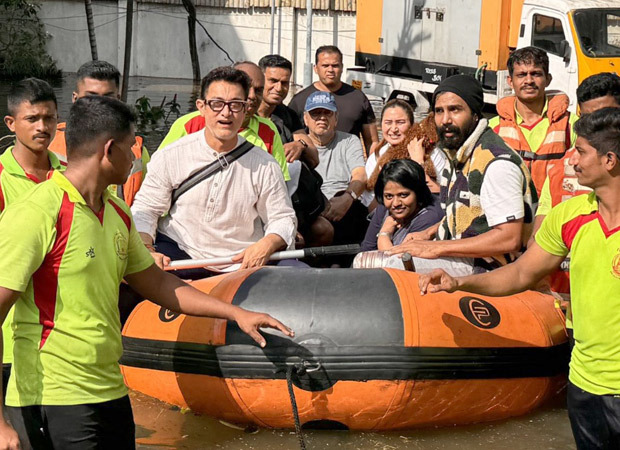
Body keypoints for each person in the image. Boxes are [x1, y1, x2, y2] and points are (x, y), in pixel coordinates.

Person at [0, 95, 293, 450]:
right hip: (51, 396)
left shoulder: (118, 211)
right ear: (109, 150)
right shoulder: (37, 212)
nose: (136, 157)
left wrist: (235, 313)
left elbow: (156, 282)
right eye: (130, 147)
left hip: (109, 390)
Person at [419, 107, 620, 450]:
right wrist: (458, 283)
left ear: (610, 160)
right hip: (584, 382)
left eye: (582, 151)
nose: (572, 160)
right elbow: (521, 273)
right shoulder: (569, 215)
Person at [131, 67, 298, 279]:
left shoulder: (265, 165)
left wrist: (266, 244)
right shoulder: (171, 155)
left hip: (242, 262)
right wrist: (147, 250)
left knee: (299, 279)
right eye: (217, 104)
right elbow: (146, 210)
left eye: (235, 105)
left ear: (247, 108)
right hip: (179, 253)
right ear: (201, 107)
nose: (226, 113)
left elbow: (282, 218)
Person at [386, 75, 537, 276]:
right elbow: (468, 214)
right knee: (369, 260)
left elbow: (509, 238)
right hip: (463, 257)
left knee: (387, 268)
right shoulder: (460, 154)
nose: (445, 120)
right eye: (439, 111)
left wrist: (435, 247)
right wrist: (427, 233)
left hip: (492, 271)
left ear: (475, 114)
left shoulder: (497, 164)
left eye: (455, 110)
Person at [0, 78, 62, 398]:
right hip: (8, 343)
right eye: (32, 119)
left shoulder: (70, 177)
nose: (42, 126)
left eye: (49, 117)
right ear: (11, 123)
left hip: (59, 342)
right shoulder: (0, 180)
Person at [158, 61, 290, 182]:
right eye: (246, 88)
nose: (252, 96)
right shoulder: (189, 124)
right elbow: (160, 174)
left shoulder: (268, 130)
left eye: (258, 90)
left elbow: (278, 184)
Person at [48, 60, 150, 206]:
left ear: (119, 100)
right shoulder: (48, 142)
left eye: (108, 97)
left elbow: (149, 206)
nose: (100, 105)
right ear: (75, 99)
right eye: (91, 97)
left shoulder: (136, 150)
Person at [489, 47, 578, 195]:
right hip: (510, 213)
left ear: (548, 79)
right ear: (510, 81)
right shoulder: (493, 128)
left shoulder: (571, 125)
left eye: (536, 74)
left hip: (554, 213)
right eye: (522, 75)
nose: (529, 80)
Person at [304, 91, 369, 249]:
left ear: (336, 118)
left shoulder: (349, 141)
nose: (322, 117)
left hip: (345, 208)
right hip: (312, 211)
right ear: (305, 119)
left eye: (327, 113)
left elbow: (360, 175)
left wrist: (347, 198)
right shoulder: (298, 144)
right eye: (316, 113)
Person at [288, 45, 379, 153]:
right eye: (325, 65)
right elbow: (289, 140)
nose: (330, 70)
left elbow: (372, 142)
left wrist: (373, 167)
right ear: (316, 68)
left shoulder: (358, 98)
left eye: (335, 65)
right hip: (312, 166)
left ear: (341, 67)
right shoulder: (299, 100)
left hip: (349, 166)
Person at [362, 99, 443, 207]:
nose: (394, 129)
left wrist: (418, 163)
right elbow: (369, 204)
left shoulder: (431, 152)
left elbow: (442, 195)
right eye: (388, 122)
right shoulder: (377, 156)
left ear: (412, 125)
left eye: (400, 122)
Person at [360, 159, 443, 252]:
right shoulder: (385, 206)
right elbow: (366, 250)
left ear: (418, 193)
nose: (396, 203)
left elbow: (399, 261)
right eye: (389, 196)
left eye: (403, 195)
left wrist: (384, 234)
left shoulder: (430, 216)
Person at [257, 54, 318, 168]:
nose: (279, 88)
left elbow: (314, 158)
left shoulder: (288, 115)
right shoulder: (244, 113)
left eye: (284, 83)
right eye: (273, 81)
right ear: (260, 80)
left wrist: (300, 145)